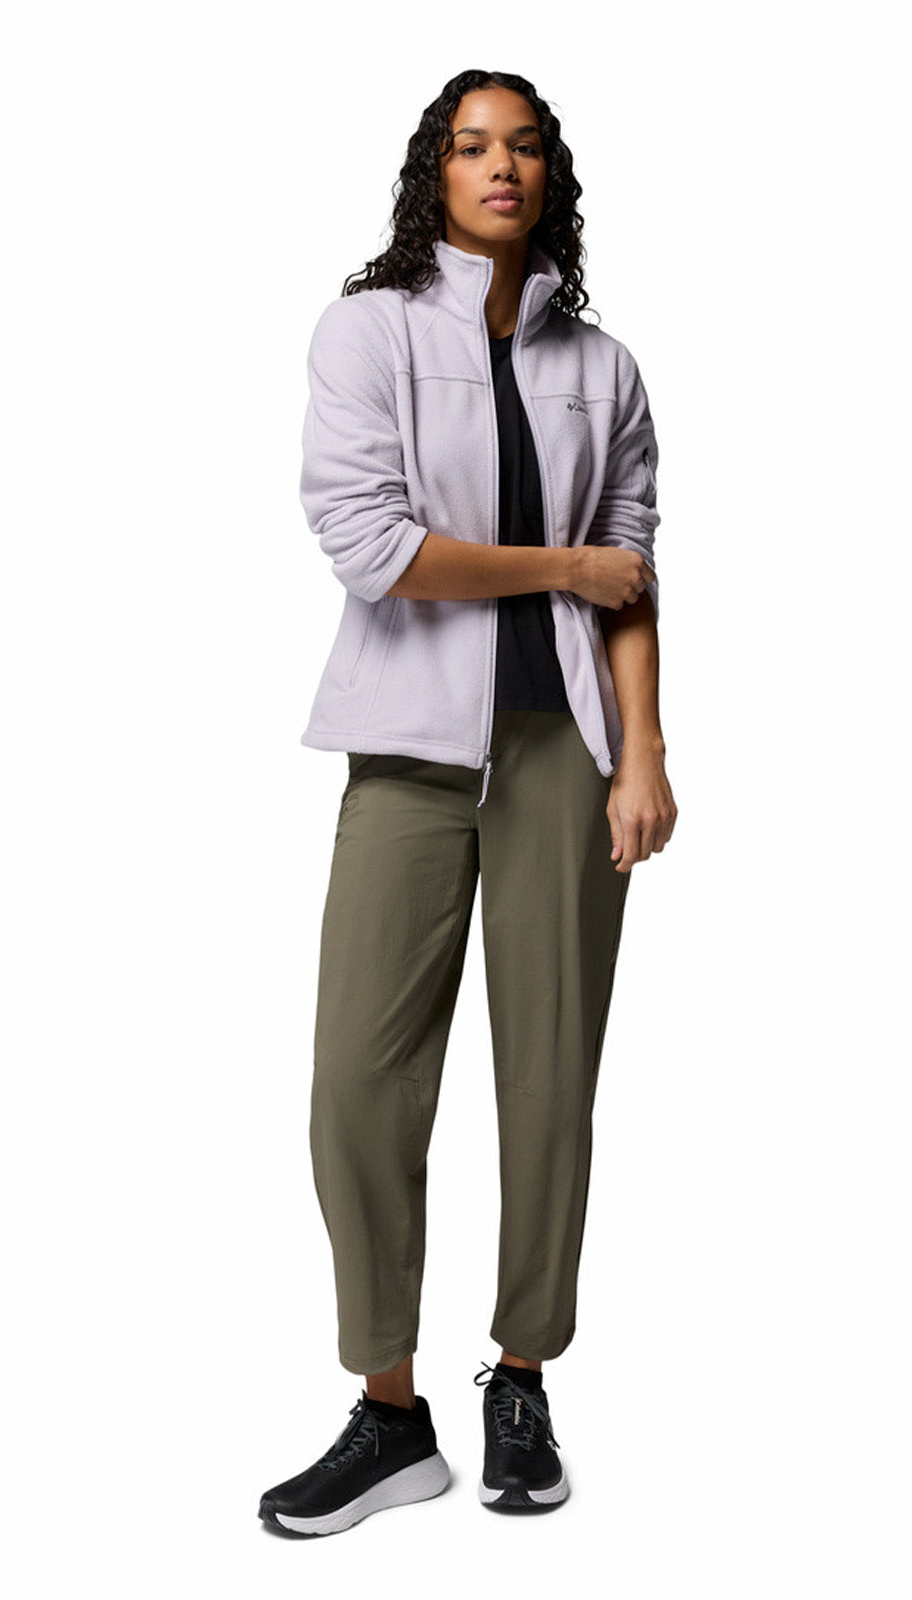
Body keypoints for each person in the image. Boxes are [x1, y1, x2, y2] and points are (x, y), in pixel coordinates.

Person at [258, 68, 677, 1538]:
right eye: (471, 145)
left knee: (550, 1077)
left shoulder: (605, 368)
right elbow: (372, 546)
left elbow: (633, 567)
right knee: (358, 1085)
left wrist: (644, 750)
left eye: (525, 146)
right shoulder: (366, 330)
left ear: (552, 173)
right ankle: (390, 1413)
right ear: (433, 173)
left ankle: (523, 1380)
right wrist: (562, 568)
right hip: (407, 748)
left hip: (566, 747)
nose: (501, 166)